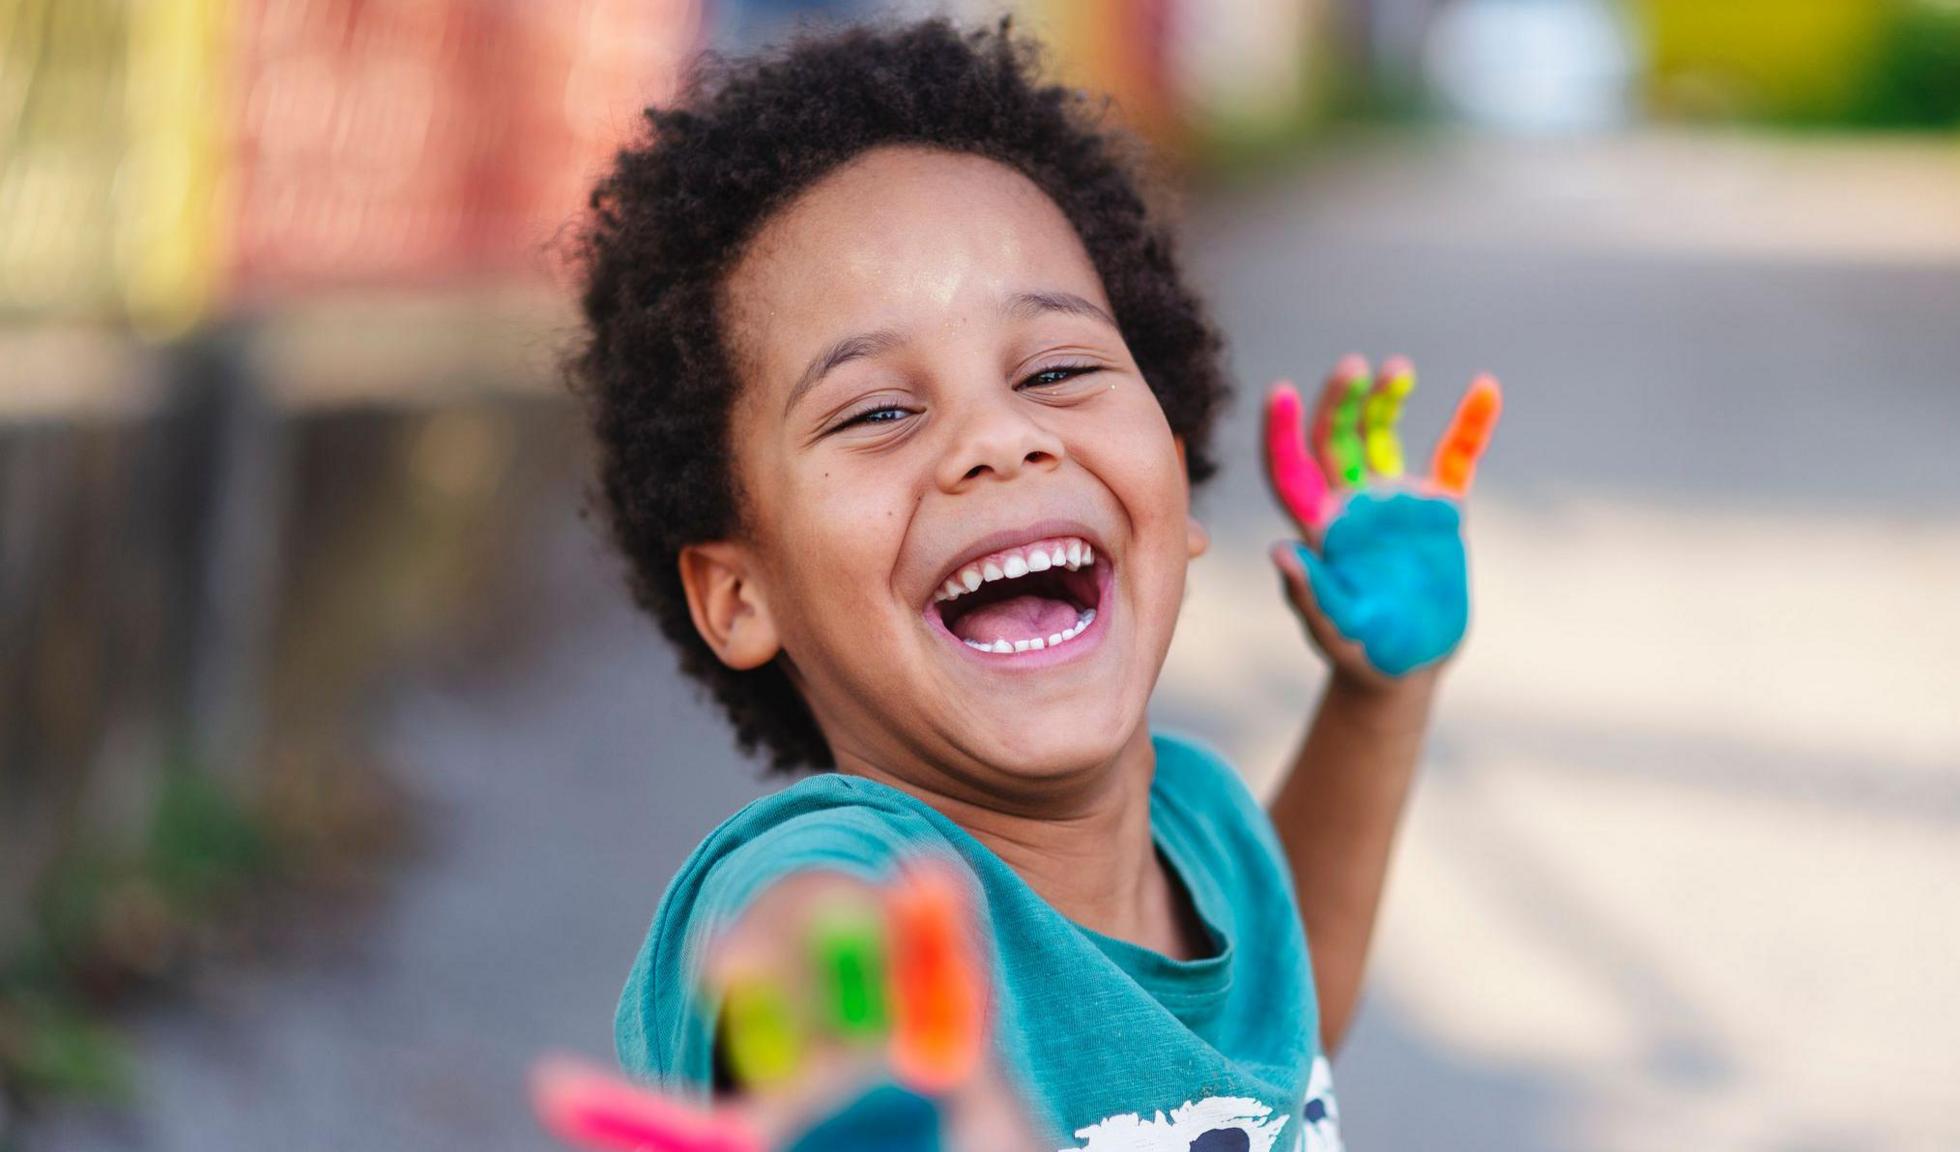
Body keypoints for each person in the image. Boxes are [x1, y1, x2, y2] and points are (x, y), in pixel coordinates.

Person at [567, 14, 1498, 1151]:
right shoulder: (829, 873)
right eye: (878, 411)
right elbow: (808, 960)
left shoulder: (1199, 821)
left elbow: (1286, 1024)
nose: (998, 439)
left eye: (1056, 370)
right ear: (737, 593)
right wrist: (867, 1101)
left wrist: (1378, 698)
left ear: (1174, 473)